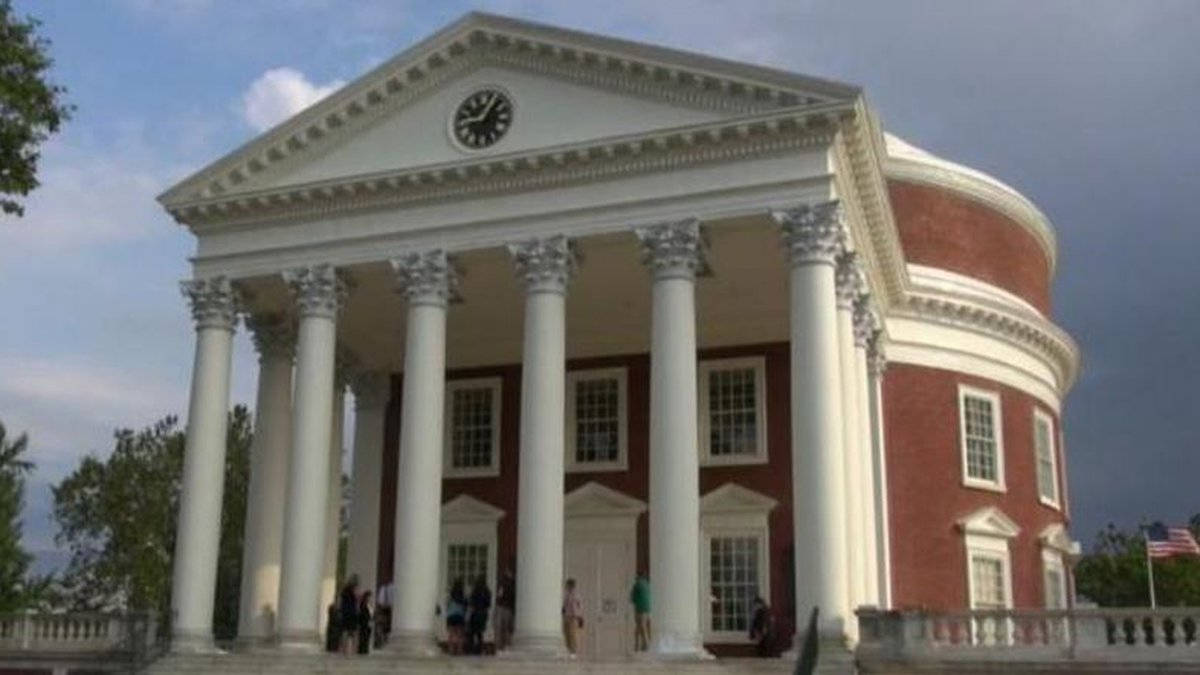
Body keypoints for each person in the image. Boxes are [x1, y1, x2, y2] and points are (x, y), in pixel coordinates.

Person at [466, 575, 492, 655]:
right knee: (480, 633)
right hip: (483, 613)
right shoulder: (487, 591)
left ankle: (471, 649)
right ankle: (479, 649)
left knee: (472, 632)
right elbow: (488, 604)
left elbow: (471, 602)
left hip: (475, 613)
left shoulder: (475, 591)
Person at [494, 567, 516, 652]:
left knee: (502, 627)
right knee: (505, 627)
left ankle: (501, 646)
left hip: (504, 607)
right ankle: (503, 645)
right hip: (506, 607)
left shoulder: (504, 583)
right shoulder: (510, 584)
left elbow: (499, 595)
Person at [629, 571, 651, 651]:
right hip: (648, 609)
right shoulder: (647, 584)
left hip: (640, 609)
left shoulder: (637, 584)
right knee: (640, 627)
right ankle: (638, 645)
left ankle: (645, 645)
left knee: (641, 627)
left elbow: (632, 598)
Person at [338, 574, 360, 655]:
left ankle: (344, 650)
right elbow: (357, 599)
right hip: (352, 612)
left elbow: (339, 601)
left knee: (345, 631)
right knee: (354, 632)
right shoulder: (354, 590)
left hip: (345, 612)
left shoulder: (343, 591)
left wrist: (340, 611)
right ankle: (354, 650)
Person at [445, 578, 467, 655]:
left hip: (451, 616)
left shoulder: (451, 595)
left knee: (451, 634)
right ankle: (459, 650)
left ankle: (451, 650)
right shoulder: (463, 596)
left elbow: (447, 605)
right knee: (460, 634)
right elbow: (465, 606)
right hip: (459, 616)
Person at [562, 578, 583, 656]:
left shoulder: (576, 595)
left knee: (573, 634)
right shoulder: (566, 595)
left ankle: (573, 651)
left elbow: (579, 606)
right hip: (567, 616)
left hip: (574, 617)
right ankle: (568, 649)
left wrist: (580, 617)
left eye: (567, 585)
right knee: (566, 633)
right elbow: (564, 606)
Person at [375, 580, 394, 648]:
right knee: (384, 626)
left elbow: (380, 601)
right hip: (386, 609)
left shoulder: (387, 588)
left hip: (388, 609)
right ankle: (383, 640)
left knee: (385, 626)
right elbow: (380, 601)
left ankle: (384, 639)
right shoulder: (384, 588)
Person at [357, 591, 373, 655]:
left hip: (368, 622)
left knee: (367, 636)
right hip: (364, 623)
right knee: (363, 636)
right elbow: (362, 614)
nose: (370, 598)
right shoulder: (363, 604)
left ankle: (365, 649)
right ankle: (362, 650)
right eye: (369, 597)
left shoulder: (369, 605)